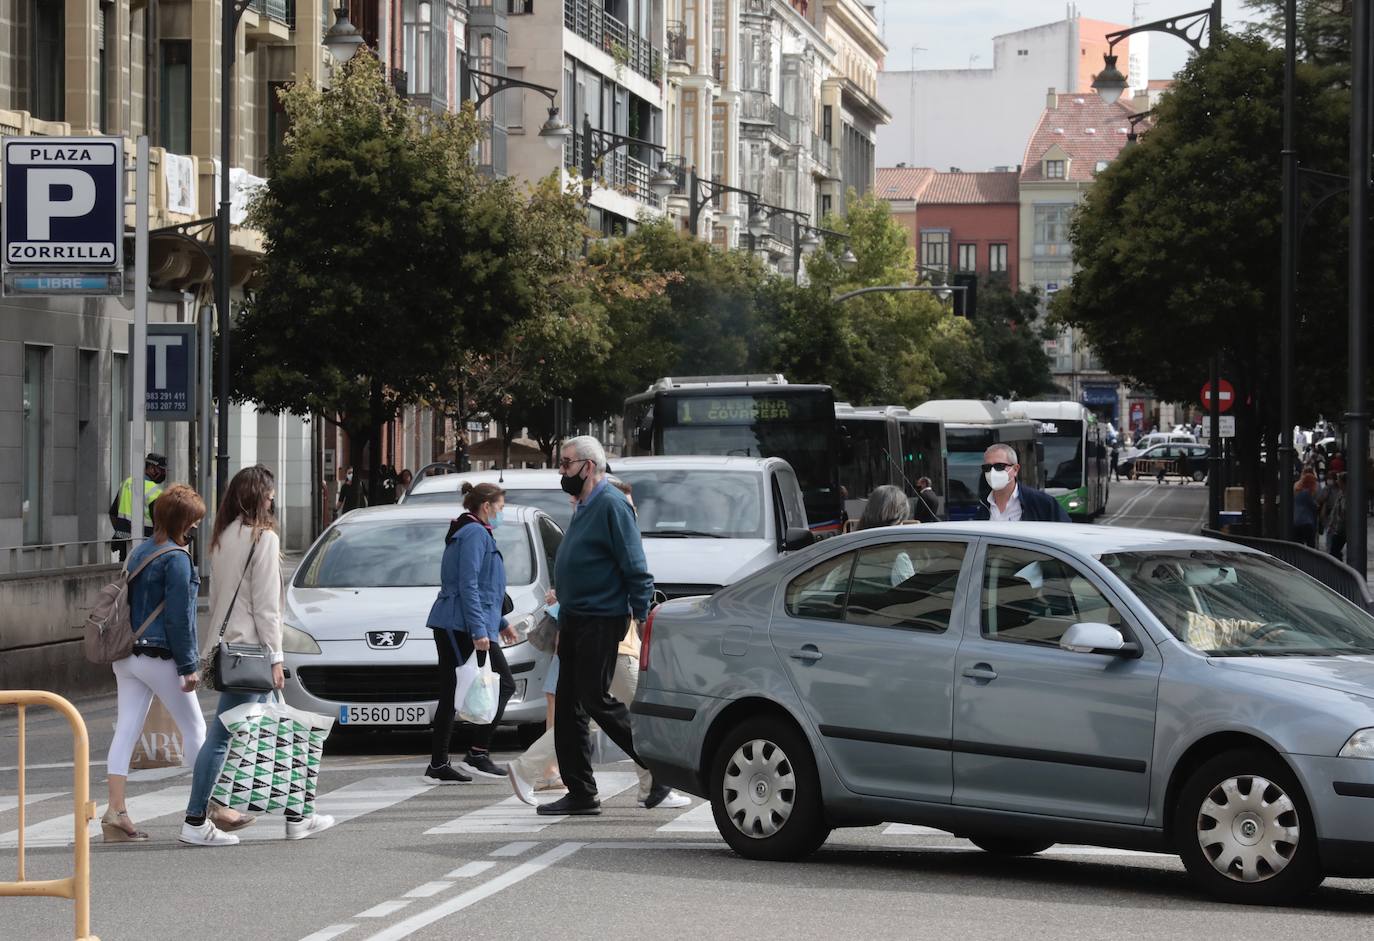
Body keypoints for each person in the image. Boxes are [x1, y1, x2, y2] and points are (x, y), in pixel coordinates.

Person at [182, 465, 335, 846]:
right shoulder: (262, 538)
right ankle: (195, 820)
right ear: (256, 496)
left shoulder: (222, 537)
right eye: (268, 494)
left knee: (284, 731)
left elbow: (218, 600)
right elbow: (268, 607)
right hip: (253, 651)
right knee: (222, 736)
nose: (272, 499)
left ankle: (300, 814)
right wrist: (276, 657)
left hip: (230, 650)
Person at [538, 436, 669, 816]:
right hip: (577, 618)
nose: (561, 471)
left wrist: (642, 613)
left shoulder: (611, 504)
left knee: (595, 698)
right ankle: (581, 792)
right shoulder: (584, 504)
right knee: (568, 707)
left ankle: (657, 767)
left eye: (566, 464)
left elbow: (634, 561)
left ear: (589, 466)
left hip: (602, 617)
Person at [102, 484, 210, 842]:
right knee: (196, 729)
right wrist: (188, 666)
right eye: (193, 521)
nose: (195, 528)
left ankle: (115, 811)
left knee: (127, 729)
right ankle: (210, 809)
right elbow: (180, 619)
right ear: (182, 521)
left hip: (127, 654)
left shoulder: (140, 551)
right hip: (160, 655)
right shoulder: (177, 559)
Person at [425, 481, 519, 784]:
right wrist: (481, 630)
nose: (502, 514)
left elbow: (485, 587)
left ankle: (448, 761)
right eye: (501, 508)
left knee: (458, 691)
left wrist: (501, 623)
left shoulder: (472, 531)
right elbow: (469, 585)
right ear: (487, 506)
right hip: (460, 625)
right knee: (499, 684)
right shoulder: (475, 533)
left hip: (462, 622)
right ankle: (471, 755)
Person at [974, 444, 1070, 523]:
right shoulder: (981, 506)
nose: (993, 472)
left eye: (999, 466)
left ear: (1015, 469)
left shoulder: (1041, 503)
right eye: (987, 467)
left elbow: (1064, 533)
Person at [109, 452, 167, 561]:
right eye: (161, 470)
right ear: (151, 468)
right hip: (147, 542)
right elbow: (159, 522)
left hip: (124, 541)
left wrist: (121, 530)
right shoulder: (155, 491)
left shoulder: (126, 483)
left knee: (126, 572)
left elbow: (113, 513)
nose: (163, 473)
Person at [1292, 471, 1319, 549]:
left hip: (1296, 521)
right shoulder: (1306, 493)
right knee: (1311, 546)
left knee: (1298, 546)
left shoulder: (1297, 491)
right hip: (1306, 522)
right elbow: (1313, 506)